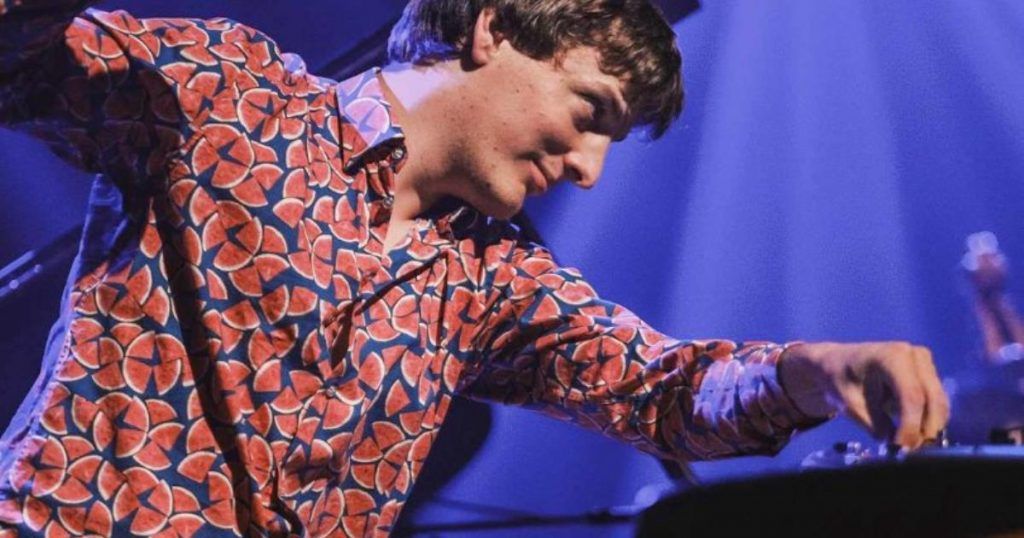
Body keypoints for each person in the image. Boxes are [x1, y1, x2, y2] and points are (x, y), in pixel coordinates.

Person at [0, 0, 948, 536]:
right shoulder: (233, 97)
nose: (589, 169)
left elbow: (660, 392)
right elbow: (23, 60)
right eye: (589, 112)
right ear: (493, 28)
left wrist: (813, 370)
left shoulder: (495, 277)